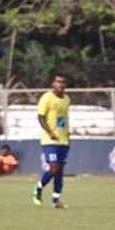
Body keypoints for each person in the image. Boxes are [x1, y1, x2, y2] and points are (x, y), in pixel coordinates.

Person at [32, 73, 70, 208]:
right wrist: (50, 133)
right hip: (49, 140)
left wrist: (68, 135)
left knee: (59, 171)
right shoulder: (46, 98)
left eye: (63, 82)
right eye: (58, 82)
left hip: (63, 140)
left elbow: (63, 119)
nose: (61, 84)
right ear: (53, 84)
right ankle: (38, 188)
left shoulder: (66, 99)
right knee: (53, 168)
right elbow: (41, 117)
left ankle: (56, 200)